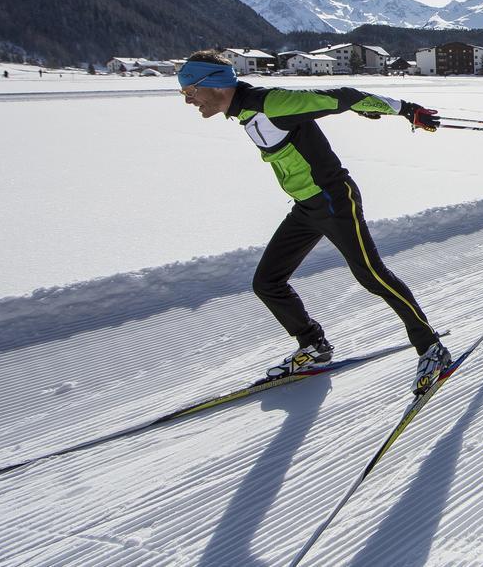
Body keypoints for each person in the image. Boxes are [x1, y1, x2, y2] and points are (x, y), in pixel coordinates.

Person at [177, 50, 450, 395]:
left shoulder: (270, 103)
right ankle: (314, 346)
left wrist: (406, 109)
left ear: (213, 84)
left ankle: (431, 348)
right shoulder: (244, 109)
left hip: (334, 200)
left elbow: (344, 97)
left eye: (190, 91)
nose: (188, 100)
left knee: (372, 275)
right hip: (306, 208)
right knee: (267, 282)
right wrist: (360, 107)